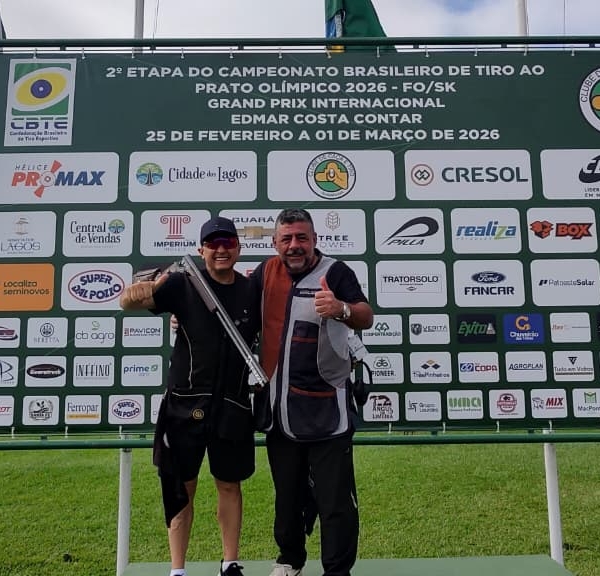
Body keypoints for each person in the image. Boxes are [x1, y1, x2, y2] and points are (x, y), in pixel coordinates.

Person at [120, 216, 258, 576]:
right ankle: (178, 569)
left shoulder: (251, 291)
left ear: (238, 249)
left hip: (232, 405)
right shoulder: (183, 283)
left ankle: (230, 563)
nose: (221, 249)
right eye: (213, 244)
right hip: (184, 404)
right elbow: (128, 302)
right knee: (181, 488)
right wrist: (139, 292)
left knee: (229, 485)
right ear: (201, 250)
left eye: (228, 243)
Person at [251, 208, 374, 576]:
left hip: (327, 410)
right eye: (286, 239)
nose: (294, 245)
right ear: (275, 243)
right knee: (287, 495)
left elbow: (366, 315)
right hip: (280, 410)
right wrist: (183, 316)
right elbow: (233, 307)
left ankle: (337, 570)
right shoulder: (265, 272)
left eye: (302, 238)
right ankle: (290, 559)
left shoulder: (336, 272)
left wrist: (341, 309)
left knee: (335, 501)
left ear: (315, 239)